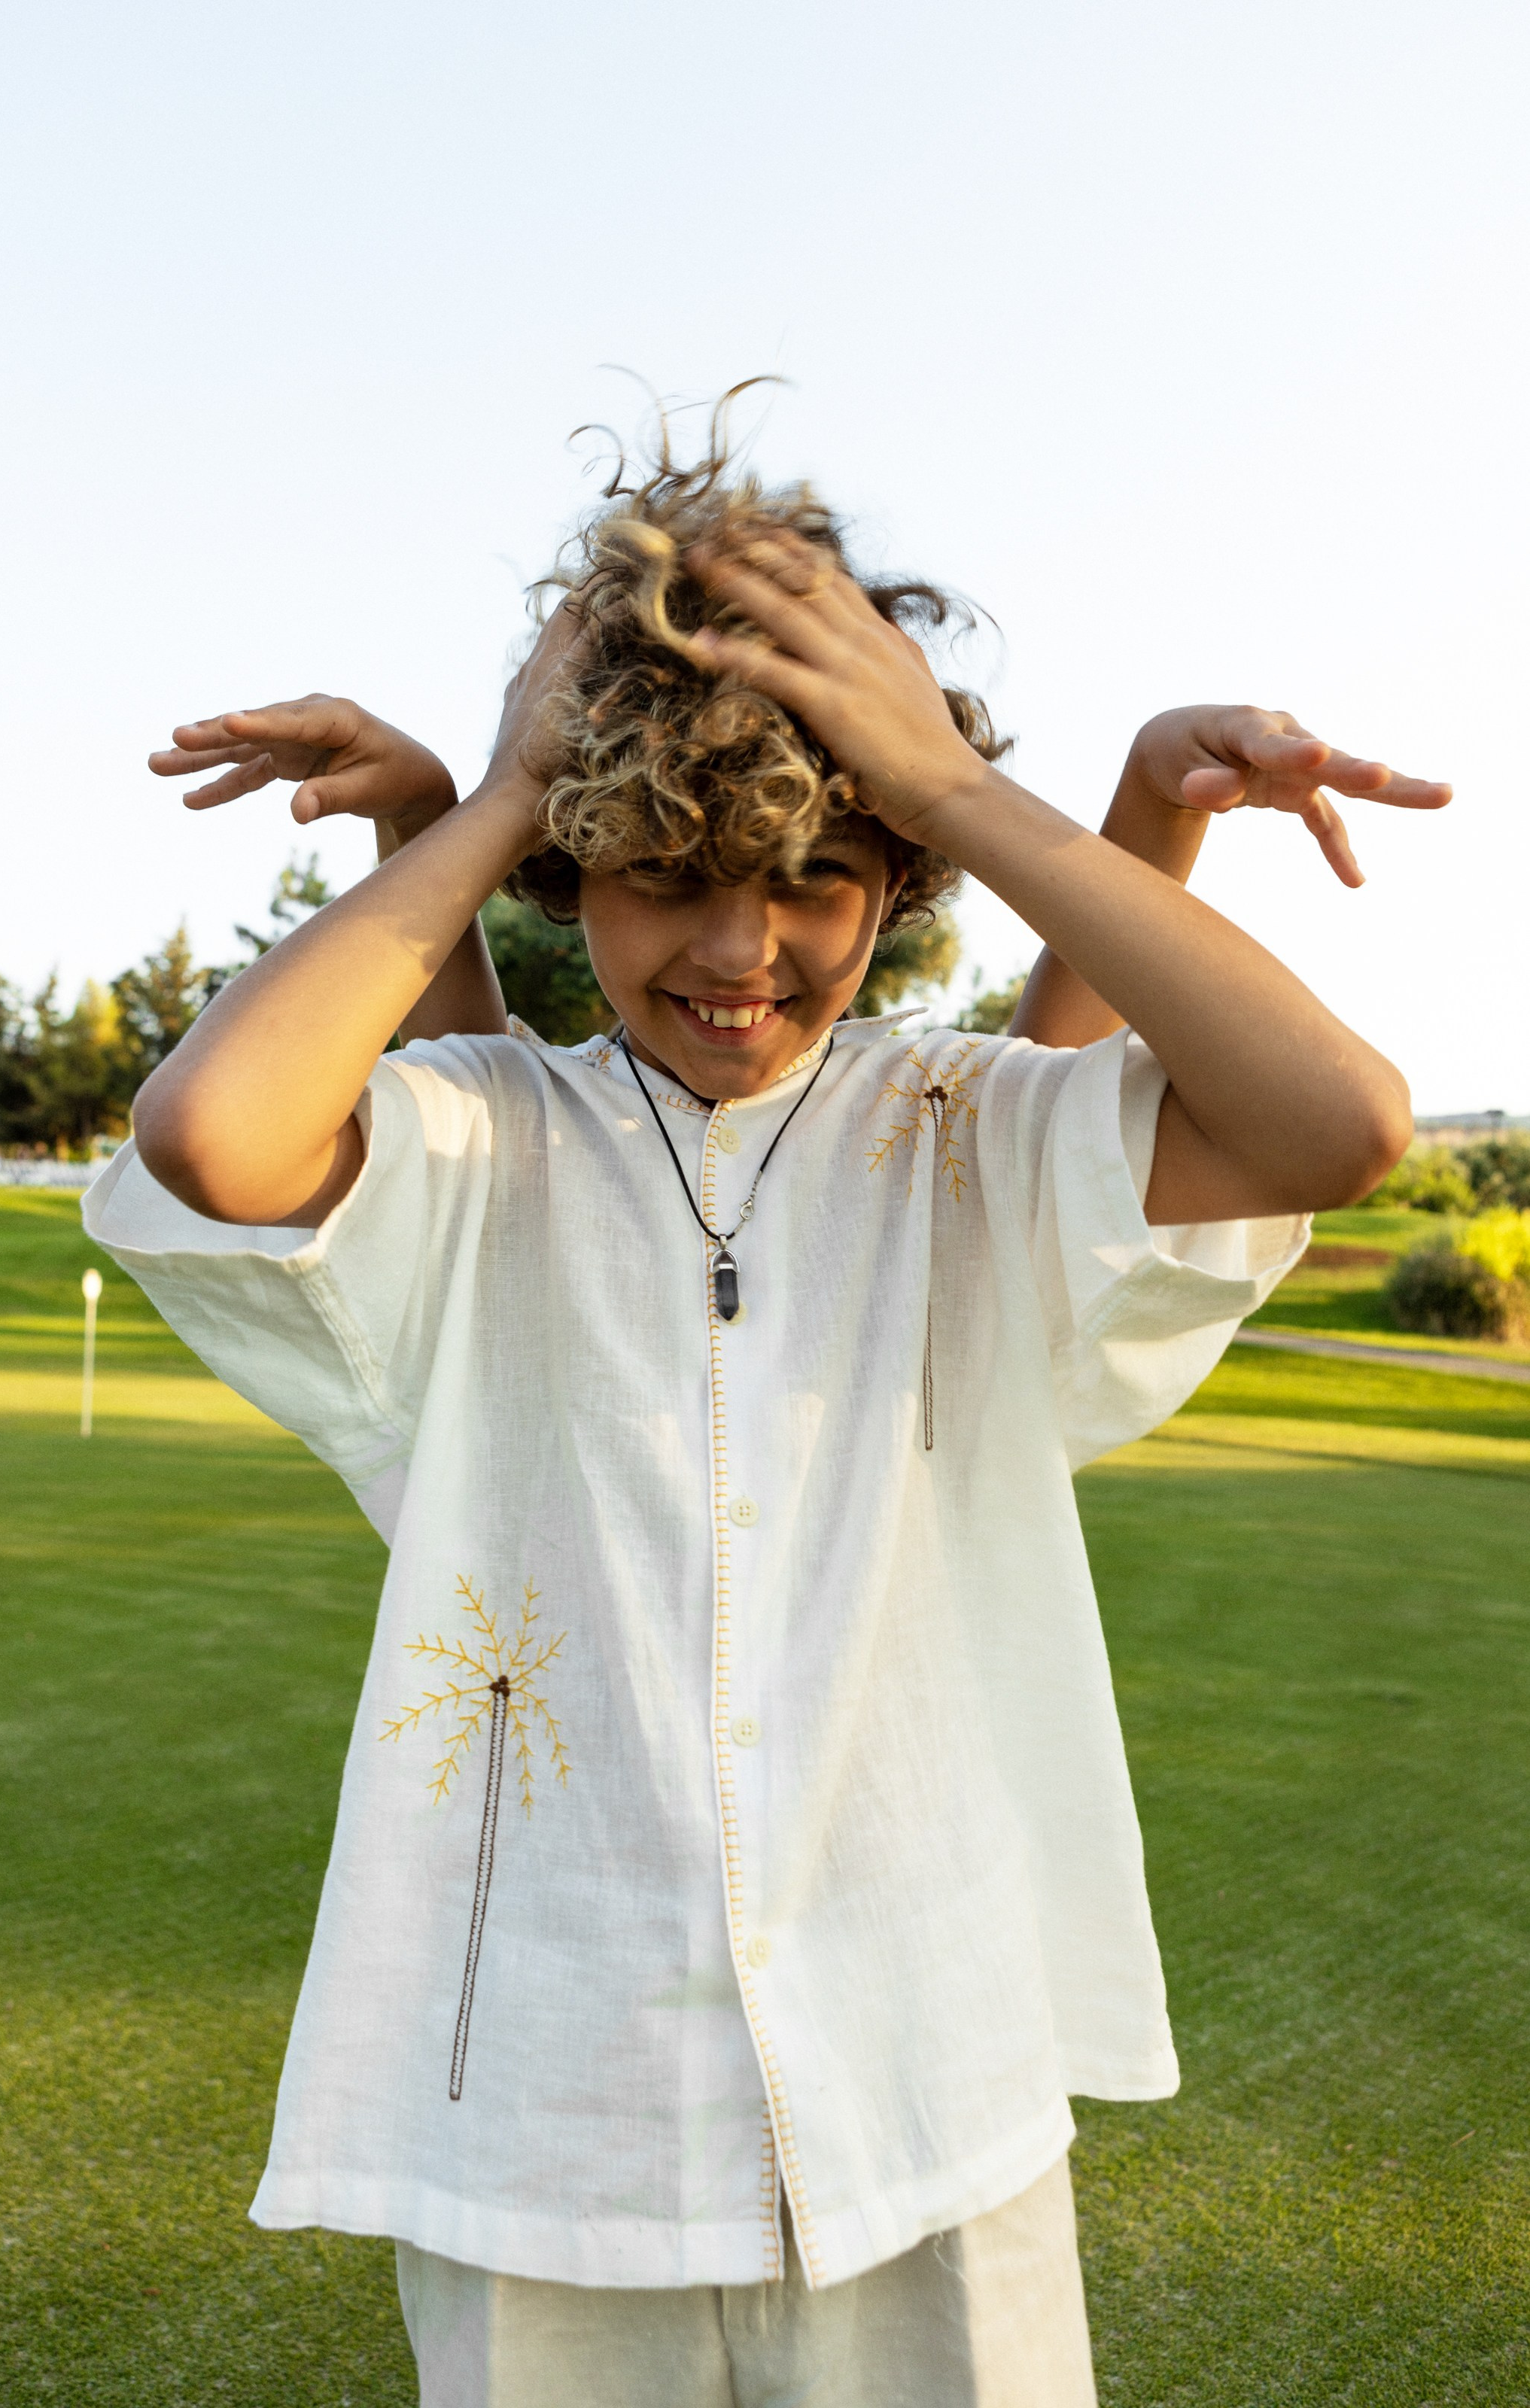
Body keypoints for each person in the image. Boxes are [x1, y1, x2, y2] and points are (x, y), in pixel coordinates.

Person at [88, 431, 1448, 2408]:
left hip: (927, 2103)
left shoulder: (956, 1127)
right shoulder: (488, 1137)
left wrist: (982, 789)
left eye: (817, 873)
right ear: (572, 870)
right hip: (544, 2126)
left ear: (902, 872)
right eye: (658, 880)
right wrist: (486, 805)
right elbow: (218, 1136)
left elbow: (1343, 1122)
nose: (739, 952)